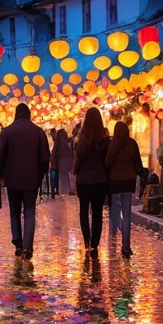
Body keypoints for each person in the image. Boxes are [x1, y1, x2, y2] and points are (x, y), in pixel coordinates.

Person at [0, 103, 50, 260]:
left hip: (12, 179)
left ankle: (18, 243)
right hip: (31, 179)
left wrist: (0, 175)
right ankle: (28, 246)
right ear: (29, 115)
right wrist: (39, 176)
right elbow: (45, 158)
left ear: (16, 115)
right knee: (30, 211)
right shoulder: (38, 132)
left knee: (14, 211)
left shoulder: (7, 132)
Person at [72, 107, 109, 258]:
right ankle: (95, 243)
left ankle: (87, 240)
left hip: (84, 181)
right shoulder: (104, 141)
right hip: (100, 180)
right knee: (97, 213)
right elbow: (107, 161)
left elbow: (78, 162)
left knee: (83, 211)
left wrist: (75, 173)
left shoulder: (82, 141)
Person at [105, 120, 142, 259]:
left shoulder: (112, 144)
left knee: (115, 210)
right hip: (128, 182)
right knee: (127, 214)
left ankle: (117, 233)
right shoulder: (132, 144)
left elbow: (107, 162)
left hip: (115, 183)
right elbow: (138, 163)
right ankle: (126, 246)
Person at [54, 128, 75, 196]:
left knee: (63, 178)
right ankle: (68, 190)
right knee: (67, 177)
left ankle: (64, 191)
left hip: (61, 163)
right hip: (67, 162)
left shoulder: (57, 146)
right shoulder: (69, 144)